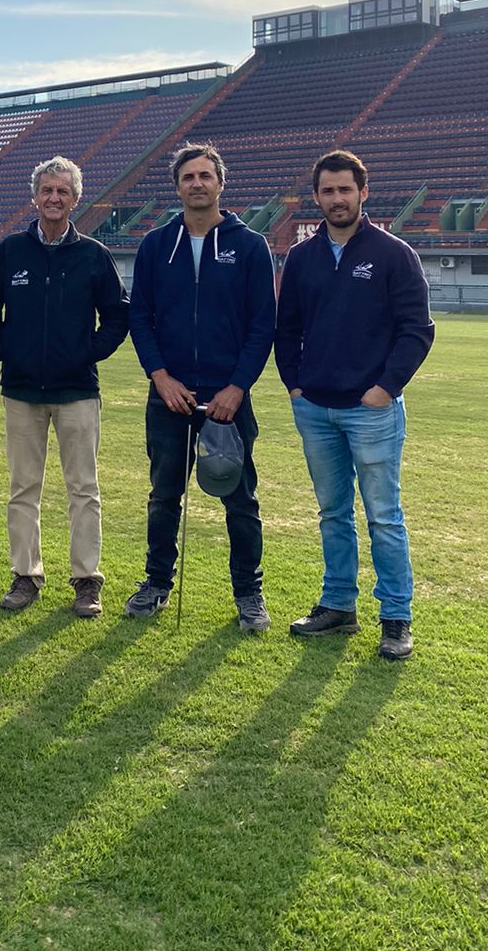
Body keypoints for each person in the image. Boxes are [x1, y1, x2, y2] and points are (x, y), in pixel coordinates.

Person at [275, 149, 434, 661]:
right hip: (315, 408)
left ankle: (396, 617)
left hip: (372, 409)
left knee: (384, 515)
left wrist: (385, 387)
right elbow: (288, 328)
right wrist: (295, 385)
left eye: (346, 189)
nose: (337, 199)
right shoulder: (302, 257)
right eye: (328, 191)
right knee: (332, 513)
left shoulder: (393, 253)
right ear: (317, 197)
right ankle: (338, 604)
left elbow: (417, 329)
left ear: (364, 193)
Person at [126, 142, 276, 632]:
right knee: (163, 495)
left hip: (226, 398)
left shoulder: (250, 245)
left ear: (220, 183)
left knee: (240, 499)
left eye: (205, 176)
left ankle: (249, 595)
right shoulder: (155, 245)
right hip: (169, 395)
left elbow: (262, 325)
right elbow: (140, 318)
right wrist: (160, 376)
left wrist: (237, 387)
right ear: (178, 186)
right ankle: (156, 583)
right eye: (188, 177)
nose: (197, 184)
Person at [0, 156, 129, 618]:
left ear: (76, 199)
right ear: (35, 196)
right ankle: (26, 575)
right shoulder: (10, 252)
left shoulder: (93, 255)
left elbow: (118, 314)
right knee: (24, 486)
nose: (54, 198)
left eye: (63, 191)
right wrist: (7, 349)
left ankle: (87, 580)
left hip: (77, 391)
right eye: (47, 190)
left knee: (83, 488)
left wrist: (87, 353)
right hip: (22, 389)